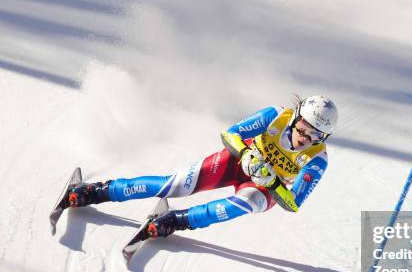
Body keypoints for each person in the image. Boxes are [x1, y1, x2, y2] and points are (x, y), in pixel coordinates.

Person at [60, 95, 338, 244]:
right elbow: (231, 133)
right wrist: (245, 154)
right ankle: (94, 192)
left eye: (315, 136)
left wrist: (274, 183)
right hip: (237, 163)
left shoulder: (317, 159)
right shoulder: (277, 116)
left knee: (248, 202)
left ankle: (174, 221)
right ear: (297, 117)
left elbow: (293, 203)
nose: (305, 139)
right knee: (176, 184)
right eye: (303, 129)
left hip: (263, 187)